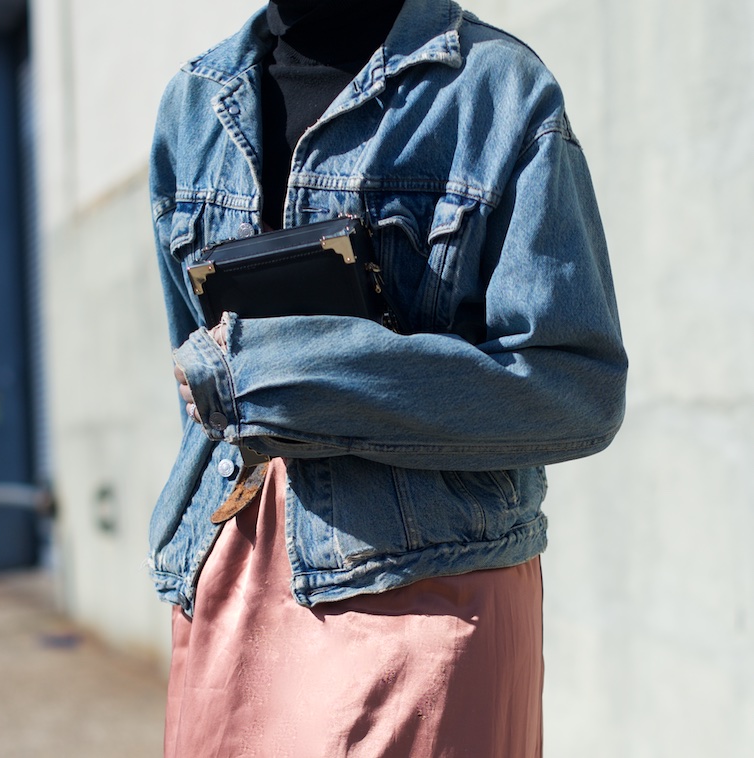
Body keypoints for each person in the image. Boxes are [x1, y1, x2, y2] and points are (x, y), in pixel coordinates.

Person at [149, 0, 627, 755]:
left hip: (430, 592)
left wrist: (286, 373)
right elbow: (201, 375)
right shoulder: (194, 101)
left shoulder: (494, 88)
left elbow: (576, 389)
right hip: (231, 572)